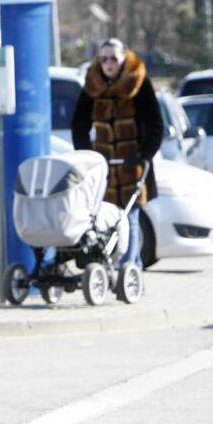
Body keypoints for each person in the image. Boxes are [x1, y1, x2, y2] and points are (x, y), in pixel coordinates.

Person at [71, 38, 164, 268]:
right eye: (104, 58)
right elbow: (79, 123)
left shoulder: (138, 83)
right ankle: (109, 264)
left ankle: (128, 266)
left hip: (132, 163)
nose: (109, 63)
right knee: (104, 219)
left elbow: (155, 124)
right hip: (104, 165)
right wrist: (86, 154)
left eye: (114, 58)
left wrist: (144, 153)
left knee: (130, 217)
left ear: (124, 58)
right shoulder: (92, 85)